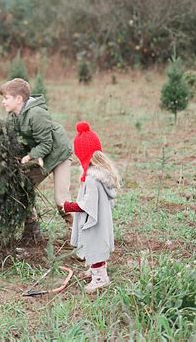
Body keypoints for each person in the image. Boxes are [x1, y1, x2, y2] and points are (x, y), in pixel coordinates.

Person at [0, 77, 73, 224]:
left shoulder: (36, 114)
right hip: (40, 154)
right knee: (23, 189)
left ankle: (78, 231)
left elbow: (46, 143)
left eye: (6, 98)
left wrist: (29, 156)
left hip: (58, 154)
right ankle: (31, 229)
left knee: (61, 200)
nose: (3, 101)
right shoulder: (12, 116)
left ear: (19, 99)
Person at [63, 121, 121, 293]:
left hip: (95, 222)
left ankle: (100, 278)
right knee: (95, 246)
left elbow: (87, 205)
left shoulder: (92, 179)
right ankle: (95, 270)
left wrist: (69, 206)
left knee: (95, 246)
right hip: (101, 220)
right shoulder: (98, 173)